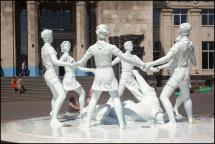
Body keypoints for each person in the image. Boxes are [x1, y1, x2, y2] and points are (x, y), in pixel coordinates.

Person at [70, 24, 145, 128]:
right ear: (106, 34)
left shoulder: (92, 48)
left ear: (97, 33)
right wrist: (142, 64)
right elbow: (126, 58)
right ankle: (122, 124)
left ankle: (87, 123)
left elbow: (81, 62)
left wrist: (73, 64)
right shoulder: (111, 47)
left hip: (99, 72)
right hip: (108, 72)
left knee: (94, 98)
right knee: (115, 97)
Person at [145, 23, 197, 126]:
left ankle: (172, 121)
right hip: (186, 73)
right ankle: (190, 119)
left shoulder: (178, 45)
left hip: (178, 73)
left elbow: (167, 58)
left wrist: (151, 63)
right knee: (187, 97)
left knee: (163, 96)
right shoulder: (191, 45)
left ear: (179, 31)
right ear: (189, 32)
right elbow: (194, 62)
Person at [40, 29, 73, 127]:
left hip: (48, 73)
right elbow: (55, 61)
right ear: (47, 37)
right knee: (62, 95)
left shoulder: (43, 48)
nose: (52, 37)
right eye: (51, 35)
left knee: (55, 96)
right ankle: (54, 119)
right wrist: (67, 63)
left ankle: (54, 116)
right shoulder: (49, 48)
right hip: (52, 74)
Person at [59, 41, 86, 118]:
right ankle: (81, 113)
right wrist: (67, 64)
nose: (68, 46)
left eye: (69, 45)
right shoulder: (65, 56)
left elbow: (79, 67)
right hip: (70, 78)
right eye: (66, 45)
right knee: (82, 93)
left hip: (68, 78)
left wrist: (90, 70)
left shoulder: (70, 57)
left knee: (61, 96)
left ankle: (54, 112)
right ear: (62, 48)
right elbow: (59, 62)